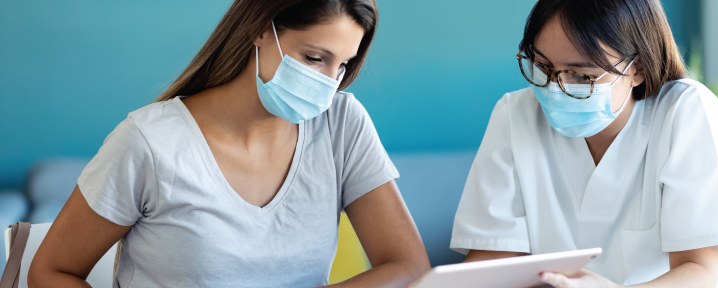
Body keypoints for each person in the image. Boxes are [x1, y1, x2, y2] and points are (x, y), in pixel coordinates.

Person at [28, 0, 430, 287]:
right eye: (313, 58)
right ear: (260, 28)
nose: (328, 82)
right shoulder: (149, 142)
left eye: (341, 65)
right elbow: (50, 271)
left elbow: (407, 264)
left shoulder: (343, 124)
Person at [449, 0, 718, 287]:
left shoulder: (686, 114)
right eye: (543, 67)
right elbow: (493, 260)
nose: (555, 88)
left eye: (580, 75)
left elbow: (700, 270)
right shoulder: (516, 115)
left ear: (636, 67)